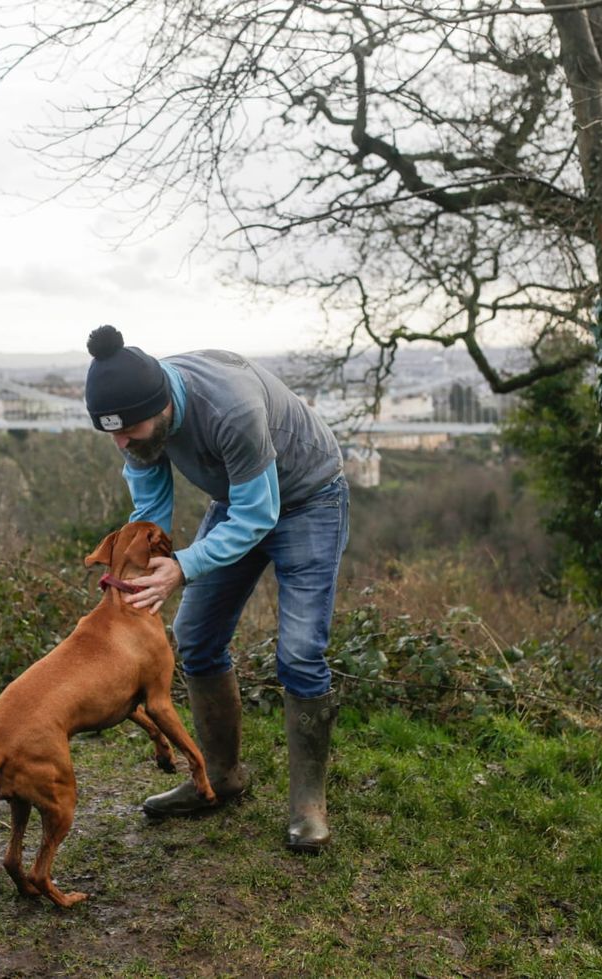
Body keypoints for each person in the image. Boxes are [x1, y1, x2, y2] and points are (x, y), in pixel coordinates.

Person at [83, 324, 349, 852]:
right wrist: (137, 571)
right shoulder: (138, 424)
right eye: (110, 433)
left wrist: (183, 567)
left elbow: (259, 514)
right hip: (238, 503)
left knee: (299, 654)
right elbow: (151, 516)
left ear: (160, 407)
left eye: (128, 430)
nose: (120, 443)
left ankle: (308, 807)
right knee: (197, 637)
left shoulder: (230, 409)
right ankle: (222, 778)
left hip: (309, 501)